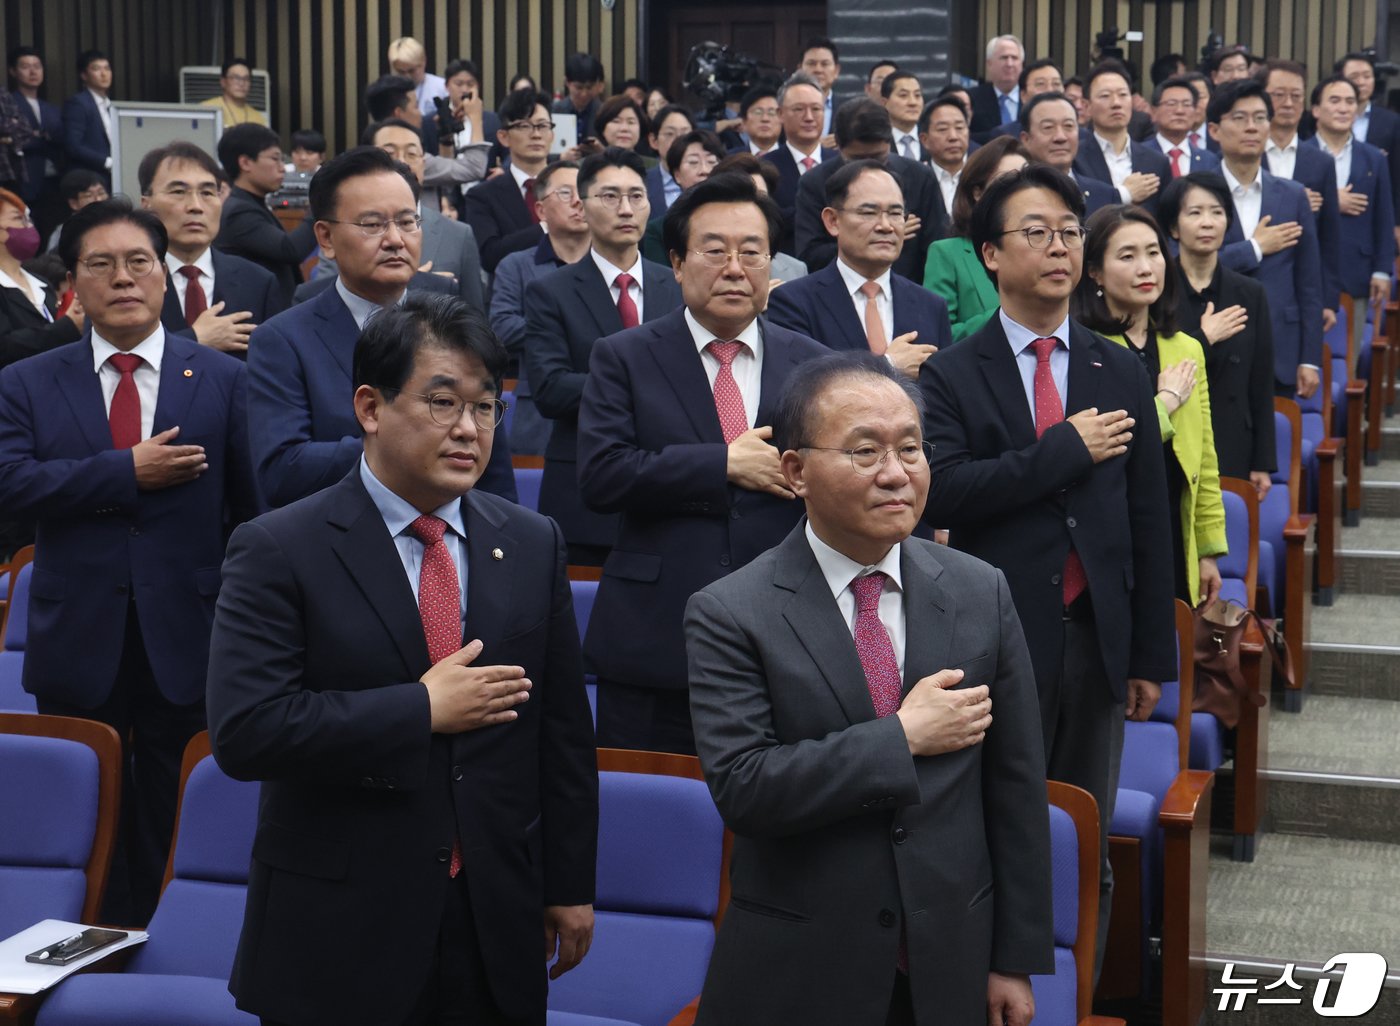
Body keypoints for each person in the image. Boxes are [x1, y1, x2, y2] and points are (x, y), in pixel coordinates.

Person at [208, 293, 598, 1026]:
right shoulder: (279, 548)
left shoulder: (532, 539)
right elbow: (247, 730)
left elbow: (561, 736)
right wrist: (420, 709)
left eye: (486, 408)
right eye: (442, 401)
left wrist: (569, 884)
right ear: (369, 407)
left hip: (492, 917)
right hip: (339, 924)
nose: (467, 429)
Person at [685, 351, 1053, 1026]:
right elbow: (745, 787)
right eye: (864, 451)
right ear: (795, 471)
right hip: (800, 965)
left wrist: (1013, 958)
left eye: (910, 448)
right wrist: (903, 738)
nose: (895, 472)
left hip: (948, 958)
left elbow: (1017, 788)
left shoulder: (979, 590)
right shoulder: (732, 611)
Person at [918, 164, 1176, 975]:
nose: (1059, 246)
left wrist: (1147, 657)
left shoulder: (1116, 366)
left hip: (1095, 641)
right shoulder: (954, 372)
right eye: (1037, 232)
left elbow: (1145, 520)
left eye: (1069, 231)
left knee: (1083, 837)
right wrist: (1060, 450)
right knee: (998, 832)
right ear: (991, 254)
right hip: (994, 644)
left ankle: (1076, 998)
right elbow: (948, 490)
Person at [0, 199, 259, 923]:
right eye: (101, 264)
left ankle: (167, 933)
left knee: (173, 804)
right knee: (82, 804)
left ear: (165, 276)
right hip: (77, 630)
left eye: (139, 262)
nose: (123, 278)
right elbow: (9, 484)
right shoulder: (28, 379)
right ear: (72, 283)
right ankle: (84, 939)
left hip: (190, 628)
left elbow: (252, 511)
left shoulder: (219, 377)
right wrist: (125, 472)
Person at [576, 172, 827, 754]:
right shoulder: (624, 356)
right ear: (678, 263)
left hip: (788, 634)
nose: (734, 268)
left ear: (773, 266)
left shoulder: (813, 364)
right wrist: (721, 465)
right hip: (657, 637)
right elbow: (601, 475)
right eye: (714, 251)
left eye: (752, 252)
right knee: (653, 820)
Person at [248, 146, 516, 509]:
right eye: (372, 225)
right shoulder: (283, 340)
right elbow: (283, 471)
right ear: (325, 238)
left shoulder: (453, 315)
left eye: (408, 222)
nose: (395, 239)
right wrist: (404, 440)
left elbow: (491, 456)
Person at [523, 148, 682, 565]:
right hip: (585, 490)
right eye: (610, 197)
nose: (626, 209)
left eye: (636, 196)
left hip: (672, 488)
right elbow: (550, 389)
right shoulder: (550, 292)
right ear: (581, 205)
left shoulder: (680, 288)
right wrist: (644, 382)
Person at [1072, 203, 1226, 607]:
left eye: (1154, 252)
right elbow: (1109, 448)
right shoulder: (1085, 348)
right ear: (1094, 272)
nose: (1146, 267)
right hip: (1115, 530)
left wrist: (1208, 552)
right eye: (1127, 256)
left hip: (1174, 524)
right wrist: (1165, 402)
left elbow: (1204, 460)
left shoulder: (1186, 347)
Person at [767, 159, 948, 377]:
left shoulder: (931, 306)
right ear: (833, 221)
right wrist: (888, 365)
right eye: (869, 212)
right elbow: (801, 389)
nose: (885, 226)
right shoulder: (794, 302)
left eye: (895, 213)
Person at [1158, 172, 1276, 492]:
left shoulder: (1250, 293)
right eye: (1194, 213)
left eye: (1217, 212)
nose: (1207, 222)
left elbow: (1261, 381)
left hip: (1234, 440)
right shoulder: (1156, 291)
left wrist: (1262, 462)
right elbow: (1157, 367)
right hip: (1175, 437)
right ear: (1173, 227)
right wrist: (1203, 339)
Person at [1209, 78, 1324, 399]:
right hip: (1215, 346)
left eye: (1260, 118)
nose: (1252, 127)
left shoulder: (1293, 195)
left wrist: (1310, 359)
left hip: (1281, 348)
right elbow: (1181, 266)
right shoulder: (1197, 192)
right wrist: (1254, 249)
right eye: (1240, 118)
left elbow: (1309, 283)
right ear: (1215, 130)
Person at [139, 141, 282, 357]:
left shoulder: (258, 282)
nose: (196, 206)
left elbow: (275, 366)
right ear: (146, 203)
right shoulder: (129, 281)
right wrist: (195, 339)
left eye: (207, 193)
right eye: (179, 191)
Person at [490, 161, 588, 455]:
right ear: (541, 210)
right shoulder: (516, 265)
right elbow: (501, 328)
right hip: (539, 409)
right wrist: (569, 328)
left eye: (584, 191)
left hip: (613, 404)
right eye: (565, 192)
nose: (578, 201)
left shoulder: (614, 268)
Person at [794, 98, 948, 280]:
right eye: (857, 160)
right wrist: (868, 240)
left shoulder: (920, 177)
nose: (869, 168)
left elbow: (938, 249)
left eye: (878, 158)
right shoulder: (814, 183)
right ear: (838, 145)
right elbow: (809, 256)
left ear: (889, 142)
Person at [1309, 73, 1396, 369]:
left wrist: (1383, 271)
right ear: (1316, 110)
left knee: (1350, 357)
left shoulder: (1373, 158)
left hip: (1357, 269)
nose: (1344, 108)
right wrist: (1332, 201)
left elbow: (1384, 217)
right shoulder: (1300, 155)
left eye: (1350, 102)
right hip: (1311, 269)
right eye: (1335, 101)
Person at [364, 118, 487, 311]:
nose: (402, 161)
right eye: (389, 153)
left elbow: (475, 317)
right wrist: (415, 285)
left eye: (412, 153)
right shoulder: (348, 225)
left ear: (423, 163)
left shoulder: (459, 234)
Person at [1259, 60, 1343, 333]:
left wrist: (1329, 300)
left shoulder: (1320, 162)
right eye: (1278, 95)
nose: (1288, 103)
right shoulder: (1245, 156)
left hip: (1302, 284)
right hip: (1256, 276)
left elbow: (1330, 236)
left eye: (1296, 96)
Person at [922, 136, 1030, 341]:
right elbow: (938, 335)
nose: (1019, 192)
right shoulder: (946, 253)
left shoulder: (1045, 248)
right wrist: (1008, 316)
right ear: (977, 192)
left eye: (1026, 182)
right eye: (1006, 181)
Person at [214, 123, 318, 308]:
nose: (283, 168)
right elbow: (290, 250)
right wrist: (322, 204)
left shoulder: (251, 203)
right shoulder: (239, 211)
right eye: (275, 159)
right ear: (245, 163)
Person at [463, 89, 553, 272]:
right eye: (524, 126)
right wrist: (547, 226)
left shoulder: (574, 187)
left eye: (543, 126)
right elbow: (490, 256)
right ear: (503, 137)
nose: (536, 134)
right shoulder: (482, 196)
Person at [0, 187, 84, 366]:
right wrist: (67, 327)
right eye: (18, 219)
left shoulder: (41, 283)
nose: (28, 227)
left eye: (28, 219)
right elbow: (5, 347)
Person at [1074, 62, 1170, 211]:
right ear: (1087, 106)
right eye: (1105, 96)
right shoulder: (1075, 158)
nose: (1116, 103)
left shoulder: (1157, 162)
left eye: (1123, 95)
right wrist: (1123, 194)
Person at [709, 152, 808, 282]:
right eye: (742, 198)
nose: (751, 208)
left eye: (760, 198)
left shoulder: (796, 270)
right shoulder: (702, 263)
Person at [763, 73, 836, 248]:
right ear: (780, 113)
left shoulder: (842, 165)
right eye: (799, 109)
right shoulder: (764, 168)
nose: (809, 117)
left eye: (816, 109)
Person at [1019, 92, 1121, 217]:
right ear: (1026, 139)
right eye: (1048, 127)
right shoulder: (1013, 193)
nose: (1060, 137)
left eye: (1068, 126)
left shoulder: (1105, 196)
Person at [1336, 51, 1400, 249]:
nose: (1361, 82)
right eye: (1354, 77)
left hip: (1375, 211)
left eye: (1367, 76)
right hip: (1335, 210)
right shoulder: (1324, 119)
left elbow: (1397, 175)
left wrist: (1396, 223)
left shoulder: (1391, 121)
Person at [641, 130, 724, 262]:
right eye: (693, 162)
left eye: (711, 161)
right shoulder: (658, 230)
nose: (704, 170)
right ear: (677, 174)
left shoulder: (737, 220)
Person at [8, 47, 64, 241]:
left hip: (53, 181)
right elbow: (17, 140)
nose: (33, 72)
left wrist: (36, 137)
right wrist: (42, 138)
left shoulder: (51, 108)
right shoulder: (9, 103)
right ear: (13, 71)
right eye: (25, 67)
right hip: (24, 180)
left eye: (37, 66)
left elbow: (60, 140)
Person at [1144, 76, 1222, 176]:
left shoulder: (1210, 160)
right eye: (1171, 104)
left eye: (1186, 104)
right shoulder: (1139, 155)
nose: (1179, 111)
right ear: (1154, 112)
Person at [63, 50, 114, 184]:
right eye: (96, 69)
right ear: (84, 75)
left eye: (107, 68)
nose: (104, 74)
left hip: (112, 177)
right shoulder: (78, 103)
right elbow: (73, 146)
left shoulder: (112, 106)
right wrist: (107, 162)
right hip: (89, 177)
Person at [919, 95, 970, 221]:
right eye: (942, 129)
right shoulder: (916, 179)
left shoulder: (983, 177)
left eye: (959, 128)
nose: (953, 136)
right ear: (924, 140)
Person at [985, 58, 1064, 138]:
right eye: (1040, 84)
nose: (1050, 90)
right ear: (1023, 95)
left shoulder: (1075, 132)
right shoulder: (1006, 134)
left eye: (1056, 83)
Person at [642, 105, 697, 214]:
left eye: (685, 133)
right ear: (654, 140)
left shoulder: (705, 179)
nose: (678, 140)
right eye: (670, 134)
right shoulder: (642, 182)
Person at [969, 35, 1025, 139]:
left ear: (1021, 64)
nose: (1009, 64)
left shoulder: (1031, 98)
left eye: (1014, 58)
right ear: (989, 64)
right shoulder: (972, 98)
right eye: (1004, 58)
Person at [387, 35, 448, 118]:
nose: (407, 76)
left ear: (424, 62)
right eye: (401, 72)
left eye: (411, 71)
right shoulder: (388, 92)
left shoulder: (443, 88)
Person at [553, 52, 607, 140]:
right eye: (579, 88)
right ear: (567, 82)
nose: (584, 94)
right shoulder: (554, 112)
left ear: (599, 84)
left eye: (589, 88)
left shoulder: (605, 113)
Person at [201, 57, 266, 129]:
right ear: (223, 82)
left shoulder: (258, 118)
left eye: (246, 79)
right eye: (236, 78)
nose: (241, 83)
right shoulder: (206, 109)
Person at [800, 37, 843, 137]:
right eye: (811, 63)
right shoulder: (786, 107)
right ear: (800, 69)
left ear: (836, 70)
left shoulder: (847, 110)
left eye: (825, 64)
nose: (818, 70)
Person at [882, 72, 926, 161]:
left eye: (917, 95)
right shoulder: (878, 141)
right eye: (903, 95)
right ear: (885, 102)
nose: (913, 102)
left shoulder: (931, 138)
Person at [729, 86, 781, 157]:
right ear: (744, 120)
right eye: (758, 112)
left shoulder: (794, 158)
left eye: (771, 113)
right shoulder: (731, 159)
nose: (765, 119)